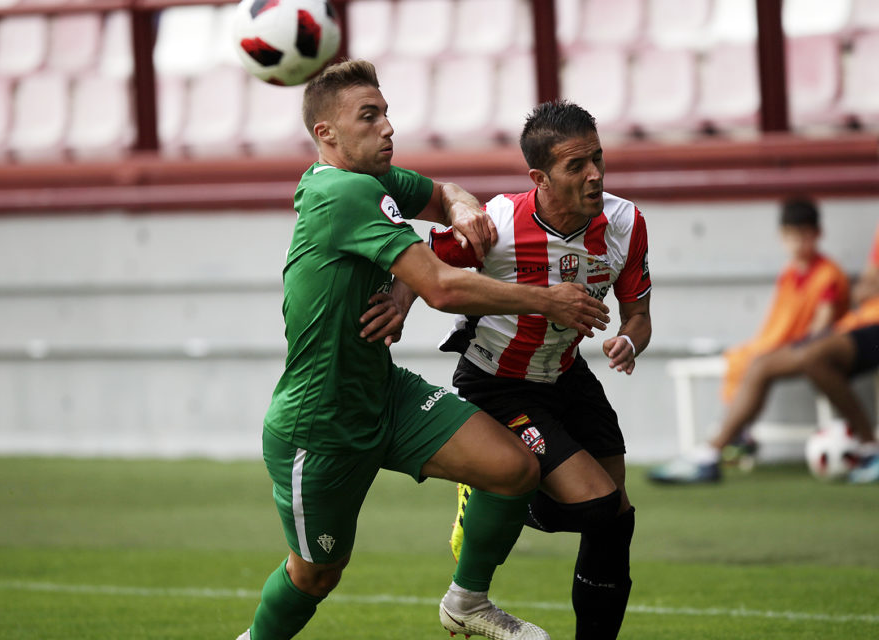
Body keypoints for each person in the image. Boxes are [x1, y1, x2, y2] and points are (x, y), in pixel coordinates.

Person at [235, 61, 611, 640]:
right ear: (326, 134)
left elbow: (442, 194)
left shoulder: (373, 180)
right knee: (316, 575)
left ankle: (467, 603)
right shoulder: (342, 192)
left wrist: (460, 208)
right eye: (369, 116)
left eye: (386, 113)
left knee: (512, 468)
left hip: (384, 393)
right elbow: (440, 287)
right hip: (321, 423)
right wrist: (546, 301)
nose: (388, 127)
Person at [374, 100, 651, 640]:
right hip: (497, 383)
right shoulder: (498, 222)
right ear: (539, 178)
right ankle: (499, 489)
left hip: (567, 376)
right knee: (596, 507)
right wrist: (400, 302)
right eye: (577, 166)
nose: (594, 174)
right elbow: (429, 259)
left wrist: (628, 341)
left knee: (616, 518)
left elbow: (637, 313)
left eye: (598, 158)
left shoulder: (625, 222)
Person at [648, 199, 851, 484]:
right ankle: (730, 440)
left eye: (804, 235)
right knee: (747, 358)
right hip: (785, 348)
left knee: (758, 364)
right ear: (782, 238)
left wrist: (788, 347)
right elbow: (777, 323)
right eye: (792, 236)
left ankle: (713, 450)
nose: (798, 243)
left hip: (808, 350)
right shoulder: (791, 273)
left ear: (818, 234)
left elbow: (821, 325)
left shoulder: (828, 274)